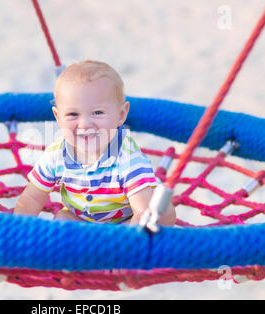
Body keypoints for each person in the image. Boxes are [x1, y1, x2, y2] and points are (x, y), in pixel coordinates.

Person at [14, 60, 176, 225]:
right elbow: (32, 197)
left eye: (97, 112)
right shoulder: (56, 154)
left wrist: (124, 238)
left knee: (162, 214)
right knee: (62, 219)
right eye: (72, 114)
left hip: (123, 222)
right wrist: (18, 229)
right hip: (81, 218)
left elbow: (142, 213)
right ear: (58, 117)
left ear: (121, 115)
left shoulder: (128, 159)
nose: (84, 124)